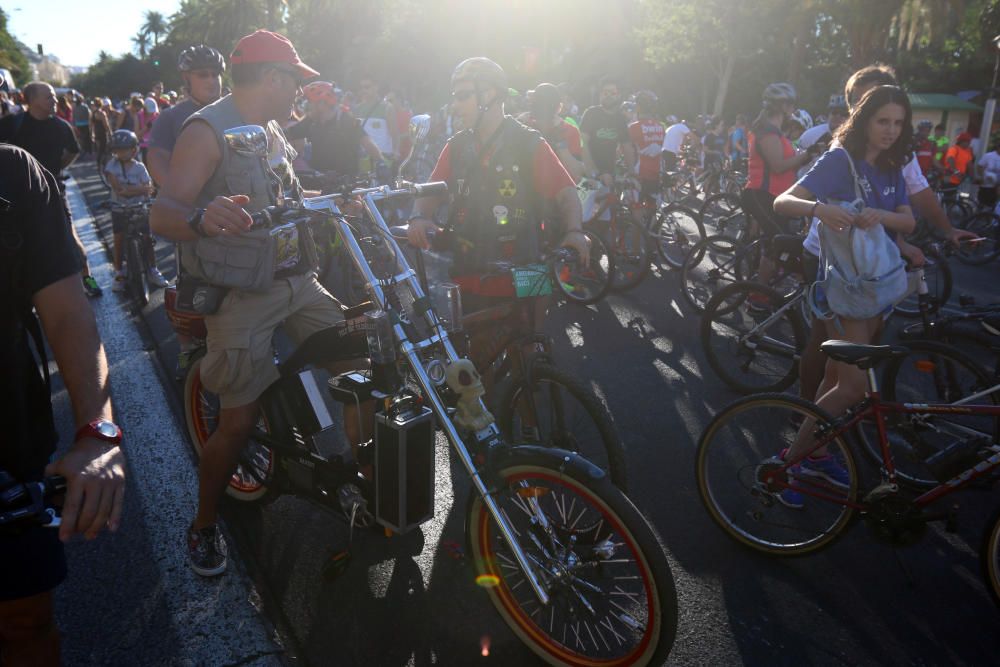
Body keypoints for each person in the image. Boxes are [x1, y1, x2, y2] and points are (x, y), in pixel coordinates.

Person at [149, 30, 368, 577]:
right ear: (273, 79)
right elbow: (162, 213)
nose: (302, 89)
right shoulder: (207, 131)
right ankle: (202, 524)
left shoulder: (272, 129)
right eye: (296, 79)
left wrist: (340, 199)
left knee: (362, 374)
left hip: (298, 280)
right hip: (243, 296)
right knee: (239, 423)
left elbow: (288, 200)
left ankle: (354, 480)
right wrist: (201, 218)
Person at [0, 92, 126, 661]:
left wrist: (97, 433)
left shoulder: (14, 171)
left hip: (11, 452)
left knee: (25, 623)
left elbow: (69, 314)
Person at [773, 85, 917, 508]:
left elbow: (907, 222)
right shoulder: (840, 160)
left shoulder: (893, 164)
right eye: (882, 121)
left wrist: (881, 217)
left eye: (898, 122)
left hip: (880, 284)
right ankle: (790, 464)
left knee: (837, 381)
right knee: (853, 387)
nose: (891, 130)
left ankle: (813, 454)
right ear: (864, 120)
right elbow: (784, 201)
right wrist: (819, 210)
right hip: (849, 287)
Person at [405, 57, 589, 325]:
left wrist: (575, 232)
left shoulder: (529, 143)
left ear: (489, 94)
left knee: (533, 351)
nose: (454, 106)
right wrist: (418, 217)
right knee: (476, 356)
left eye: (462, 96)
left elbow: (566, 192)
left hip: (528, 267)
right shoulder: (456, 147)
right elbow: (431, 192)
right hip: (470, 270)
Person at [0, 81, 103, 298]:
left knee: (70, 238)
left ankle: (89, 279)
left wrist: (52, 171)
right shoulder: (12, 124)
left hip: (53, 190)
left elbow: (73, 151)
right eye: (49, 96)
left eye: (54, 96)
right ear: (32, 101)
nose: (55, 100)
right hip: (16, 200)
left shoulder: (61, 126)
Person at [147, 45, 226, 186]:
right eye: (203, 75)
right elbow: (157, 161)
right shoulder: (170, 117)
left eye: (215, 74)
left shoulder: (235, 110)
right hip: (196, 203)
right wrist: (180, 199)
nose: (211, 80)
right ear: (186, 78)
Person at [284, 80, 384, 180]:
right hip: (320, 181)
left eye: (311, 102)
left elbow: (367, 141)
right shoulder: (311, 121)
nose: (308, 106)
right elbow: (287, 134)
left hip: (346, 182)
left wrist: (381, 163)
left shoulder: (345, 119)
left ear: (322, 103)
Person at [104, 130, 165, 292]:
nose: (122, 153)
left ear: (134, 149)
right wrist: (139, 189)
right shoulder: (111, 165)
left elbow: (149, 189)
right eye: (118, 150)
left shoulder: (139, 167)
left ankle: (152, 269)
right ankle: (119, 272)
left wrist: (130, 190)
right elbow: (118, 190)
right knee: (118, 239)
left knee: (147, 238)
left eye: (125, 149)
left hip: (139, 207)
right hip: (119, 208)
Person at [520, 82, 584, 183]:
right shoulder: (522, 126)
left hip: (557, 191)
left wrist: (559, 139)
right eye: (539, 104)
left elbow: (576, 173)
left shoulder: (569, 130)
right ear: (559, 107)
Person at [580, 75, 635, 187]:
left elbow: (627, 147)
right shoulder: (591, 113)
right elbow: (582, 144)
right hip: (590, 177)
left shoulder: (620, 119)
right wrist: (595, 173)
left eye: (612, 93)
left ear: (618, 95)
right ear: (600, 95)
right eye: (605, 92)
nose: (608, 96)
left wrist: (633, 174)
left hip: (610, 176)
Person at [627, 90, 665, 198]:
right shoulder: (661, 126)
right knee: (652, 210)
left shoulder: (633, 127)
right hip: (657, 172)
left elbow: (624, 150)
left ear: (638, 107)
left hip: (639, 173)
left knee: (636, 208)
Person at [355, 75, 398, 169]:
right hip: (363, 159)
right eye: (361, 87)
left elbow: (394, 134)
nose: (364, 90)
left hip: (383, 159)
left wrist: (395, 152)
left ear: (376, 87)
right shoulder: (357, 109)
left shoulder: (387, 107)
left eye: (367, 87)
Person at [976, 141, 1000, 208]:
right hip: (986, 184)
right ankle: (978, 216)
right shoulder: (989, 156)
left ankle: (989, 217)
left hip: (996, 186)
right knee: (982, 202)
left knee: (992, 204)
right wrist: (982, 177)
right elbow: (979, 166)